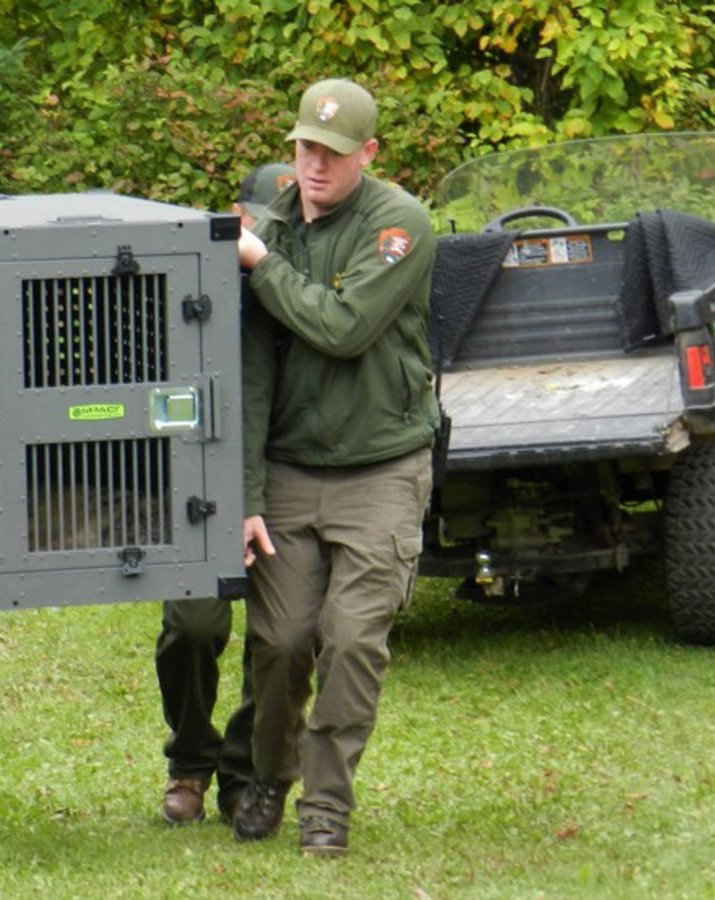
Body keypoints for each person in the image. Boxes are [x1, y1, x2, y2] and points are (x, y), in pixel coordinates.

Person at [231, 79, 438, 857]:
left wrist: (259, 264)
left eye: (335, 153)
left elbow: (345, 327)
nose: (316, 165)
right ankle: (267, 775)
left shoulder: (398, 224)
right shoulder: (271, 221)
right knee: (281, 643)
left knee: (351, 640)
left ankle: (327, 806)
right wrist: (247, 494)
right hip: (288, 470)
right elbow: (250, 374)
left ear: (369, 155)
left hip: (380, 468)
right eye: (306, 149)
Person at [154, 162, 296, 826]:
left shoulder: (303, 288)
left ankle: (243, 768)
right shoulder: (189, 278)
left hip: (287, 477)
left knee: (279, 640)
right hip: (199, 477)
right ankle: (189, 759)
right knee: (194, 627)